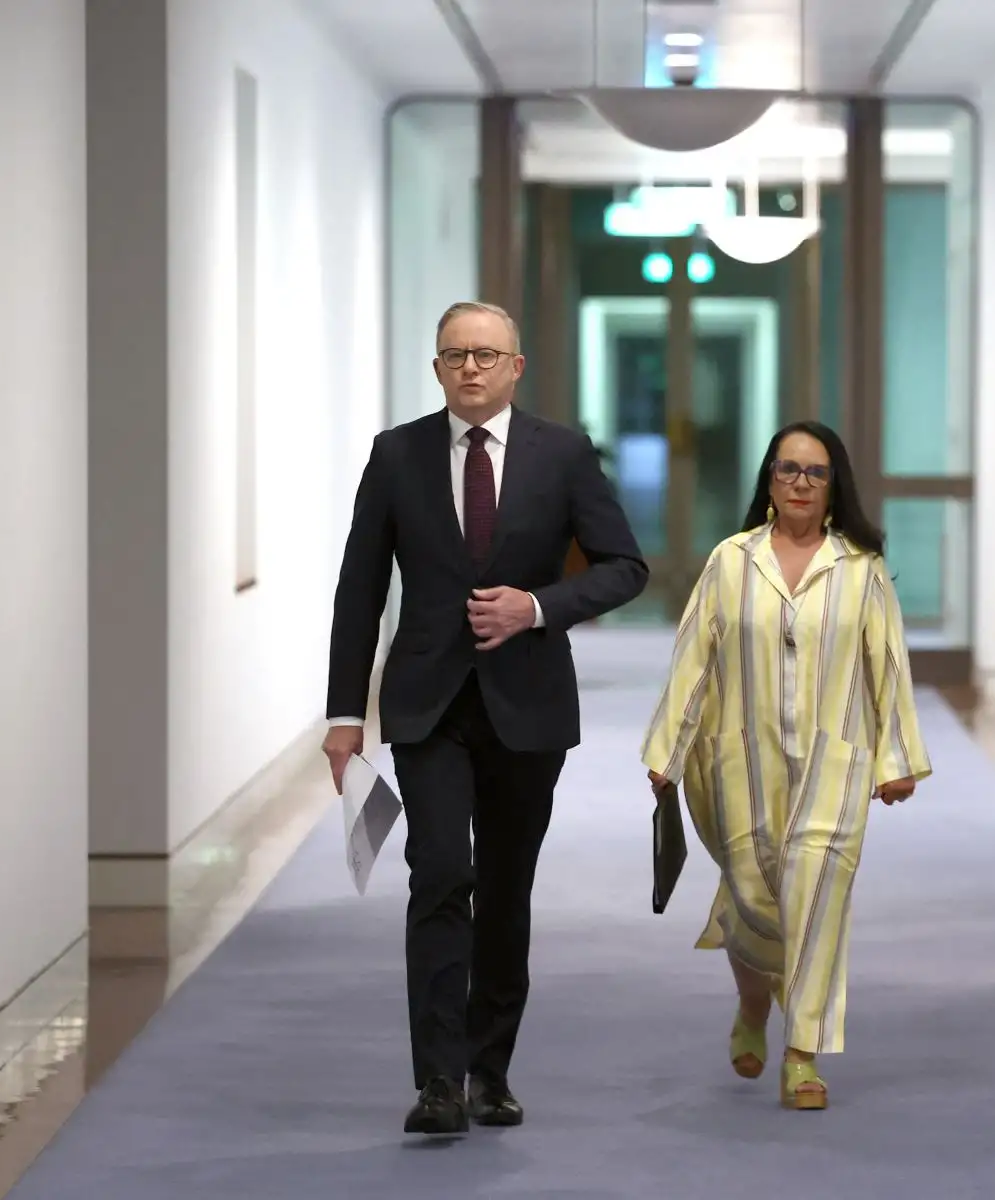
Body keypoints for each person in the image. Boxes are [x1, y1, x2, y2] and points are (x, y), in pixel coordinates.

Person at [324, 300, 648, 1136]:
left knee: (506, 889)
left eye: (485, 354)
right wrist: (342, 714)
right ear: (437, 369)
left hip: (528, 704)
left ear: (516, 366)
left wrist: (537, 607)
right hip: (427, 706)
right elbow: (360, 587)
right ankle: (436, 1082)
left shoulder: (564, 455)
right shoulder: (397, 455)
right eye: (454, 355)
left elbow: (624, 567)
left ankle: (489, 1070)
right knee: (439, 875)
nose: (469, 368)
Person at [639, 420, 931, 1111]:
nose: (800, 482)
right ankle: (752, 1007)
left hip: (836, 762)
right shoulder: (731, 561)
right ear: (769, 480)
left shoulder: (859, 567)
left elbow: (886, 664)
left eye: (816, 472)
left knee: (818, 895)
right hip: (739, 761)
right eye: (788, 469)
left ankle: (802, 1055)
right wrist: (668, 755)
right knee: (752, 898)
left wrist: (897, 760)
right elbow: (694, 658)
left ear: (835, 487)